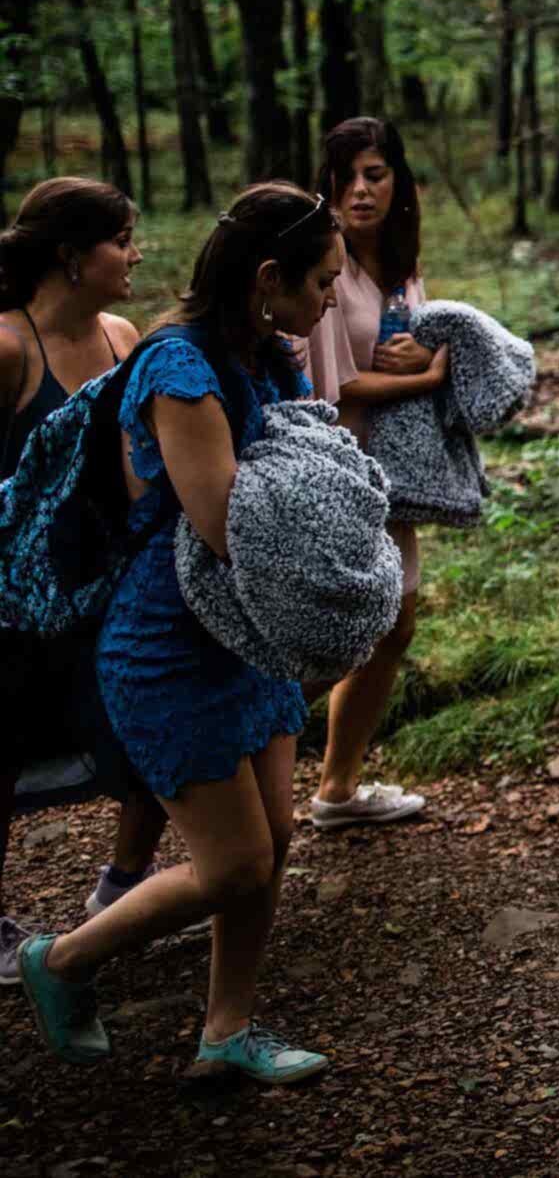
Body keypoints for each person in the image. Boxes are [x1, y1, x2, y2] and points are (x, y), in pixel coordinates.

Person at [15, 182, 345, 1083]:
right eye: (320, 283)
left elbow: (311, 460)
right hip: (167, 645)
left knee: (272, 842)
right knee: (233, 865)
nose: (328, 304)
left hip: (248, 632)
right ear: (268, 276)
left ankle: (225, 1033)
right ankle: (64, 959)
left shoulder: (269, 352)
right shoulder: (179, 365)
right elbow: (225, 520)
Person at [0, 180, 176, 983]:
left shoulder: (122, 335)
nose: (135, 254)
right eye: (122, 240)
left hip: (109, 584)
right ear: (72, 257)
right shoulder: (9, 348)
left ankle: (122, 891)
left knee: (150, 733)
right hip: (14, 599)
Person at [299, 118, 439, 830]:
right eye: (348, 176)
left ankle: (337, 788)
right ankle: (240, 778)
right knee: (329, 635)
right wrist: (433, 372)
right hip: (336, 473)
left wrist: (427, 361)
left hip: (396, 473)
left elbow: (417, 345)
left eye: (375, 174)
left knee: (396, 625)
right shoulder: (322, 261)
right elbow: (335, 385)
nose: (361, 190)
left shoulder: (404, 260)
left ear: (398, 181)